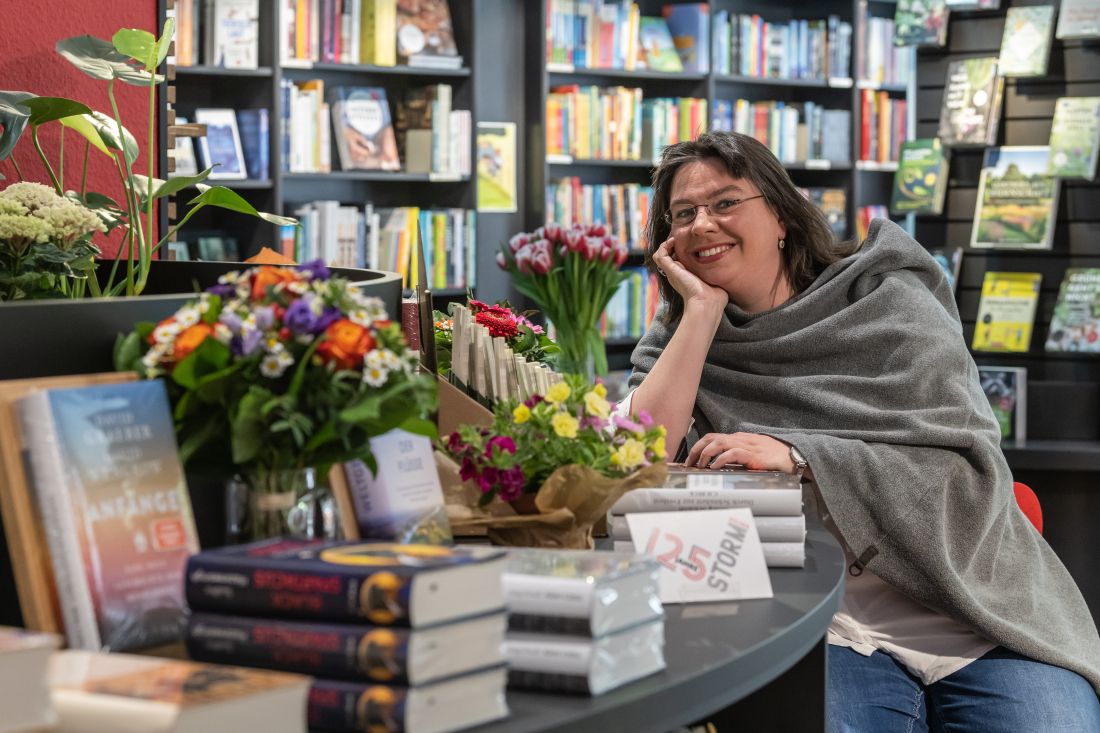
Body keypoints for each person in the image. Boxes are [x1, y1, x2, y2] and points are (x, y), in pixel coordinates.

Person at [625, 131, 1100, 732]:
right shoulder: (682, 339)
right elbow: (635, 462)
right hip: (820, 621)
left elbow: (962, 463)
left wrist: (800, 455)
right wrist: (698, 314)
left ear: (781, 213)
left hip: (973, 606)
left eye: (725, 203)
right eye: (683, 214)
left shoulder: (886, 297)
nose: (702, 225)